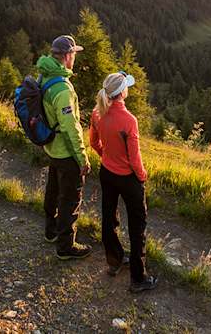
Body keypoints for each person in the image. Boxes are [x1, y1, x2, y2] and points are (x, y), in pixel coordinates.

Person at [89, 71, 156, 292]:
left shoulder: (97, 113)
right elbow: (134, 158)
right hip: (128, 178)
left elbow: (93, 142)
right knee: (137, 226)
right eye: (127, 86)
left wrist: (105, 156)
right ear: (122, 92)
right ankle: (138, 278)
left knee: (109, 217)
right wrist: (142, 176)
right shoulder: (129, 120)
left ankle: (115, 261)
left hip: (107, 173)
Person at [38, 34, 91, 259]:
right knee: (70, 198)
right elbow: (71, 128)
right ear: (67, 56)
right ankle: (65, 246)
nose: (75, 58)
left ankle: (51, 230)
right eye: (74, 54)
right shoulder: (63, 89)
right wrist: (82, 158)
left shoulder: (44, 76)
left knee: (53, 190)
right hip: (65, 151)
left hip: (51, 146)